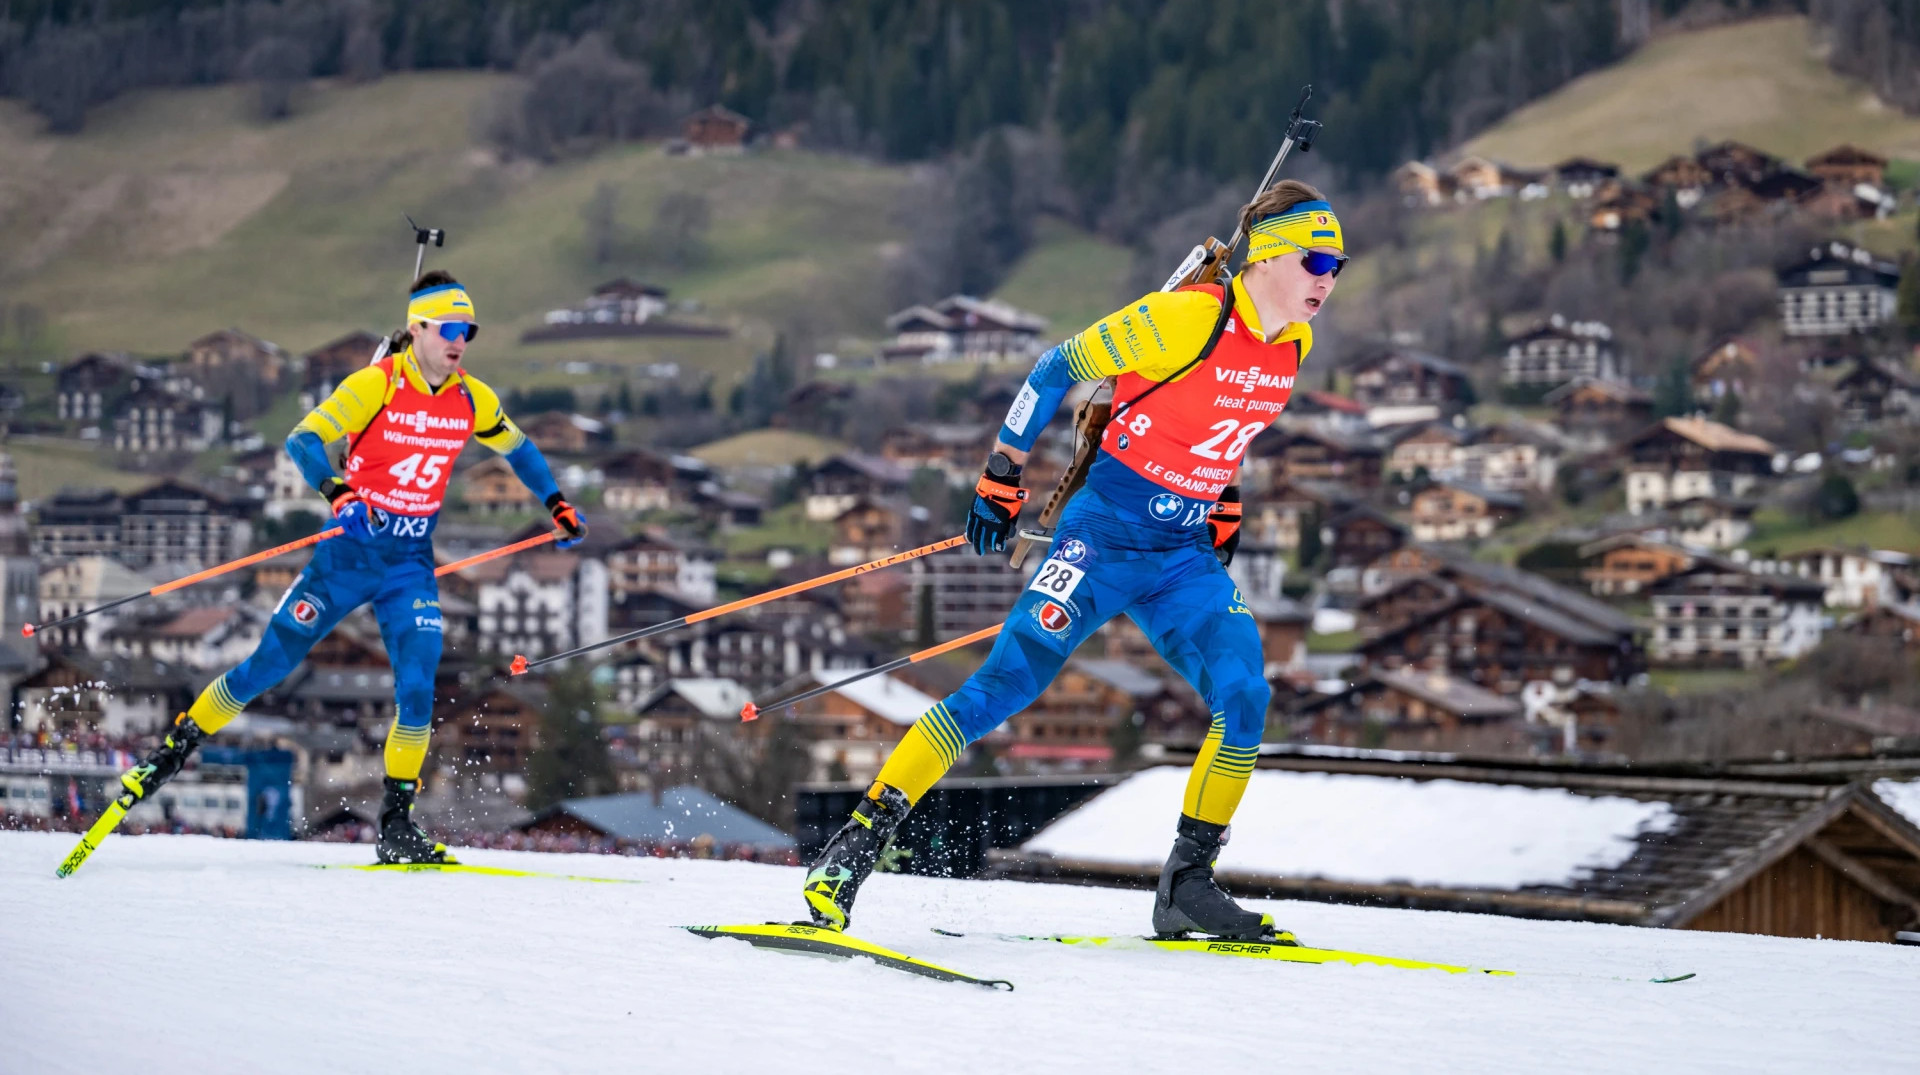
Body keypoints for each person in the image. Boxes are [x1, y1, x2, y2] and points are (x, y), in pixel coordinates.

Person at [803, 180, 1344, 938]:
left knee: (1245, 693)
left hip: (1182, 554)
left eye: (1339, 265)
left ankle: (1186, 882)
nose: (1328, 277)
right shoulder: (1185, 318)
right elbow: (1056, 367)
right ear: (1270, 255)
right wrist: (1001, 472)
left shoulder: (1293, 343)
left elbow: (1227, 426)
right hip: (1102, 538)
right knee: (1002, 686)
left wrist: (1223, 501)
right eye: (1317, 258)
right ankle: (853, 847)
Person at [102, 271, 587, 864]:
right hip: (346, 557)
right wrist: (339, 494)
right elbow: (303, 441)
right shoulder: (375, 385)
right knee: (269, 666)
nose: (461, 341)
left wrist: (555, 503)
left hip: (409, 562)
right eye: (450, 329)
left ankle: (396, 822)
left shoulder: (472, 398)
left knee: (418, 686)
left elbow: (521, 449)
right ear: (419, 330)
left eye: (470, 331)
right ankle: (174, 748)